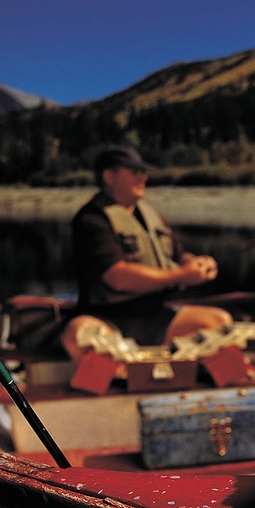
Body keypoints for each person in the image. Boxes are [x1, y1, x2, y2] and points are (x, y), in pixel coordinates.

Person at [62, 145, 232, 362]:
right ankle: (113, 383)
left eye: (143, 171)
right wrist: (181, 276)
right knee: (79, 335)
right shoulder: (91, 220)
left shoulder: (151, 216)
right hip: (107, 319)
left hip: (156, 317)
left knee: (220, 321)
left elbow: (180, 256)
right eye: (134, 172)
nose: (142, 177)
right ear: (109, 177)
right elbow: (118, 277)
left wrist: (197, 264)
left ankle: (175, 375)